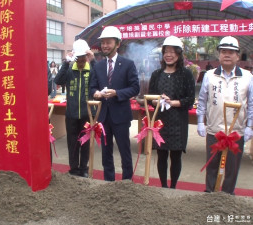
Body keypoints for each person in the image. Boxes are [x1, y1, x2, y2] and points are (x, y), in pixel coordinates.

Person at [197, 36, 253, 194]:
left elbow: (252, 104)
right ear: (218, 55)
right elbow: (202, 101)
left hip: (236, 132)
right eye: (223, 52)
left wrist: (250, 126)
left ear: (237, 55)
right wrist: (201, 122)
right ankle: (210, 194)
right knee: (212, 165)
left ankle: (228, 196)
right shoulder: (209, 75)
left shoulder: (248, 77)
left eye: (231, 52)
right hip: (215, 130)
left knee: (232, 168)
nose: (227, 55)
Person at [90, 26, 140, 181]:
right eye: (103, 42)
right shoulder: (97, 66)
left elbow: (135, 88)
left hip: (121, 116)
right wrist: (95, 93)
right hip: (104, 116)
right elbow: (92, 87)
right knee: (106, 152)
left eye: (108, 42)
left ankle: (126, 182)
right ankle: (109, 181)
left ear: (117, 44)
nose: (105, 45)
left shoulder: (127, 64)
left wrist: (117, 93)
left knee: (125, 151)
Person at [148, 36, 195, 189]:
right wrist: (158, 101)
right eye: (166, 51)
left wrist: (171, 102)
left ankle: (173, 186)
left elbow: (189, 99)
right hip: (160, 120)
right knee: (161, 155)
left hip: (178, 121)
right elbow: (150, 98)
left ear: (179, 54)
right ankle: (163, 185)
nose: (169, 55)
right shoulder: (156, 74)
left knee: (176, 155)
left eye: (172, 52)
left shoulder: (186, 74)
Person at [54, 39, 95, 177]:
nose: (81, 60)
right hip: (71, 114)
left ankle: (84, 168)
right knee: (72, 143)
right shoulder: (70, 69)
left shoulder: (92, 70)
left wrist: (93, 60)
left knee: (85, 142)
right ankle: (74, 168)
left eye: (83, 57)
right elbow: (58, 80)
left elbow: (100, 80)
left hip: (86, 114)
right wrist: (66, 62)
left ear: (87, 56)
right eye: (78, 57)